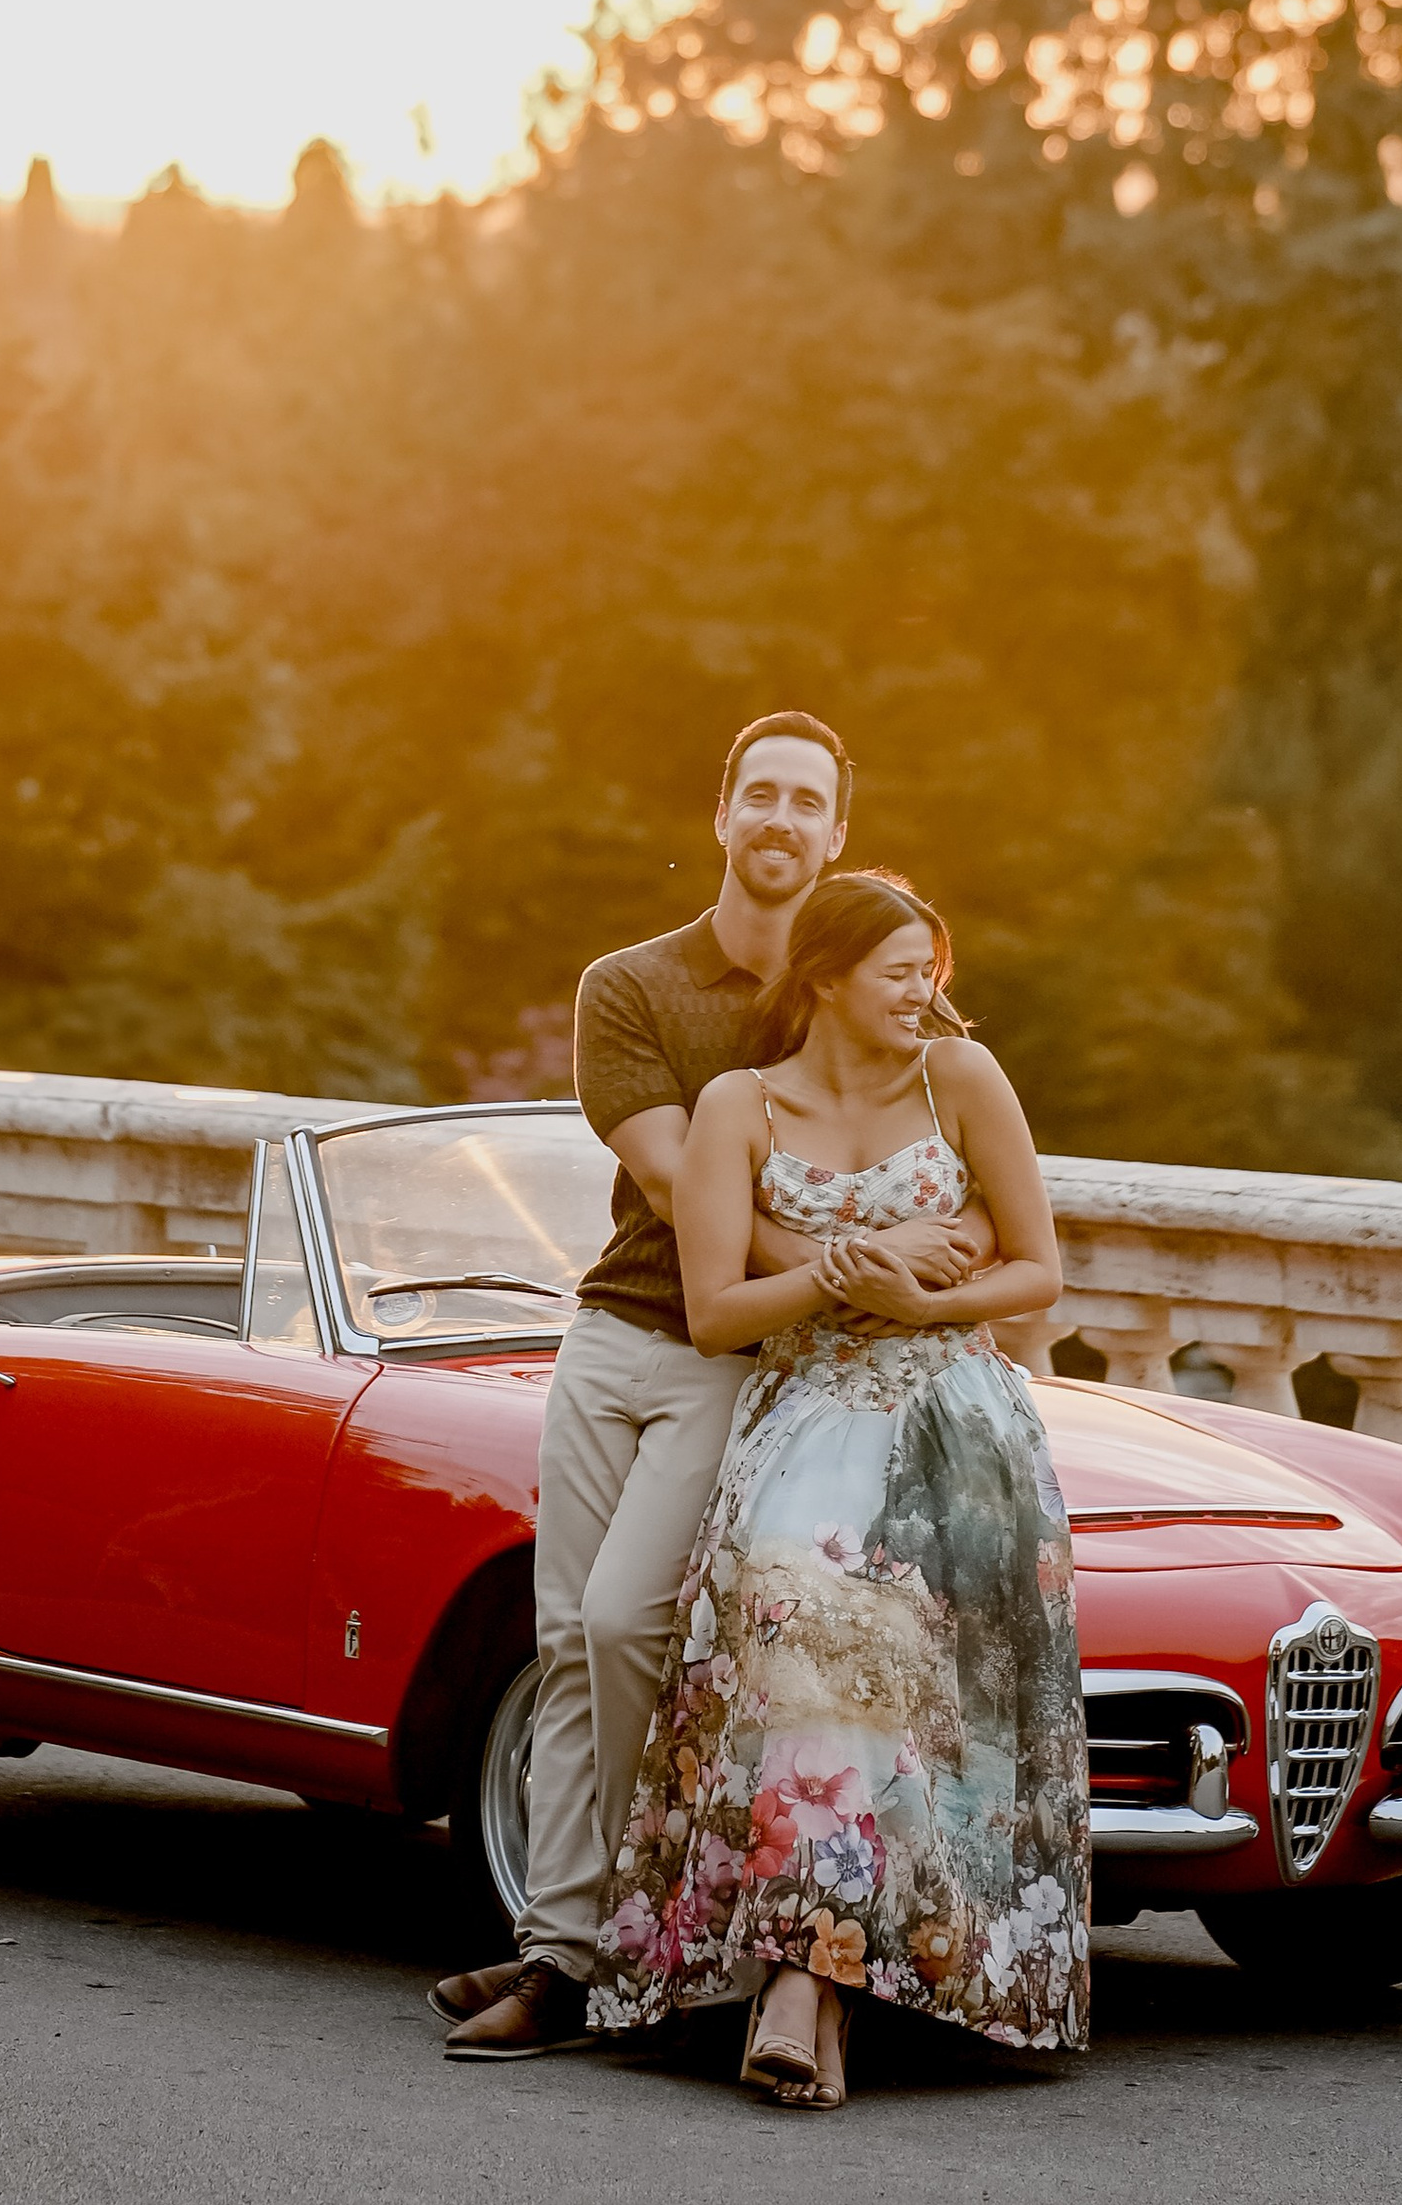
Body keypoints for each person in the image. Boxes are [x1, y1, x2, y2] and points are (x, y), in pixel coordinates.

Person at [436, 718, 987, 2060]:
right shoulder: (627, 986)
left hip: (730, 1358)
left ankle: (624, 1941)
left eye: (811, 800)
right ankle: (562, 1949)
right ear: (725, 810)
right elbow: (696, 1188)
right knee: (569, 1633)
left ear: (838, 832)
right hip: (615, 1331)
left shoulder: (863, 986)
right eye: (763, 794)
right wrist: (859, 1260)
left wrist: (914, 1261)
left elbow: (955, 1165)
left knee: (625, 1623)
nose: (783, 817)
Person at [586, 870, 1087, 2107]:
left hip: (962, 1432)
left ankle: (827, 1988)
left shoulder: (962, 1080)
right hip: (806, 1415)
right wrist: (837, 1278)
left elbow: (1037, 1268)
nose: (928, 992)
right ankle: (806, 1975)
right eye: (902, 970)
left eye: (933, 968)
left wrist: (928, 1299)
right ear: (825, 977)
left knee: (924, 1701)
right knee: (804, 1657)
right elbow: (712, 1313)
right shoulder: (736, 1105)